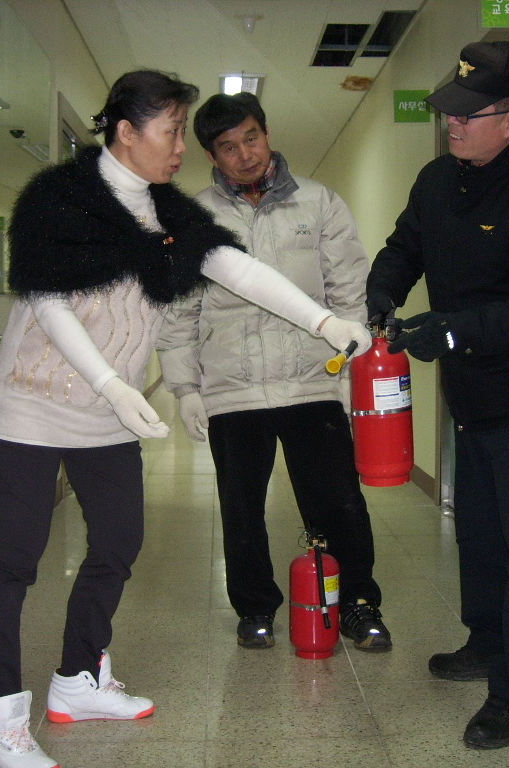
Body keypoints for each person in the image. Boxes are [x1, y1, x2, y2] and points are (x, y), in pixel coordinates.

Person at [0, 70, 371, 768]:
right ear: (127, 132)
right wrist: (111, 383)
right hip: (35, 401)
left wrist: (325, 321)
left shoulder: (167, 211)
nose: (183, 147)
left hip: (108, 411)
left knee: (117, 543)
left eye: (183, 132)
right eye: (172, 131)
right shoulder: (57, 199)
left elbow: (237, 269)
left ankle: (78, 680)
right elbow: (49, 304)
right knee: (15, 558)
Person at [367, 42, 509, 749]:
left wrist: (454, 330)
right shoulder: (439, 180)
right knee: (481, 535)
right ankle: (486, 641)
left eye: (468, 115)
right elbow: (405, 246)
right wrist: (382, 290)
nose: (452, 125)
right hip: (472, 399)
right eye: (449, 113)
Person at [156, 93, 392, 652]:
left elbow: (348, 291)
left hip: (311, 380)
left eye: (252, 138)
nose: (245, 155)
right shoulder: (193, 216)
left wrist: (349, 370)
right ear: (211, 155)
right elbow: (179, 309)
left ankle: (358, 604)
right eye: (228, 147)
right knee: (241, 509)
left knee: (338, 503)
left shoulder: (319, 202)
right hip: (233, 389)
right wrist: (185, 387)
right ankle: (255, 608)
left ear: (266, 133)